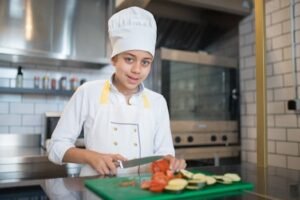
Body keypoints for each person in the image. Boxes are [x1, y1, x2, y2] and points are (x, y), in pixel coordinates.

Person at [48, 6, 186, 176]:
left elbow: (164, 154)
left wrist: (171, 162)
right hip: (96, 189)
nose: (137, 69)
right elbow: (55, 147)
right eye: (129, 59)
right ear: (114, 59)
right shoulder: (88, 92)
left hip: (142, 191)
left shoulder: (157, 102)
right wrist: (90, 156)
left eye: (145, 62)